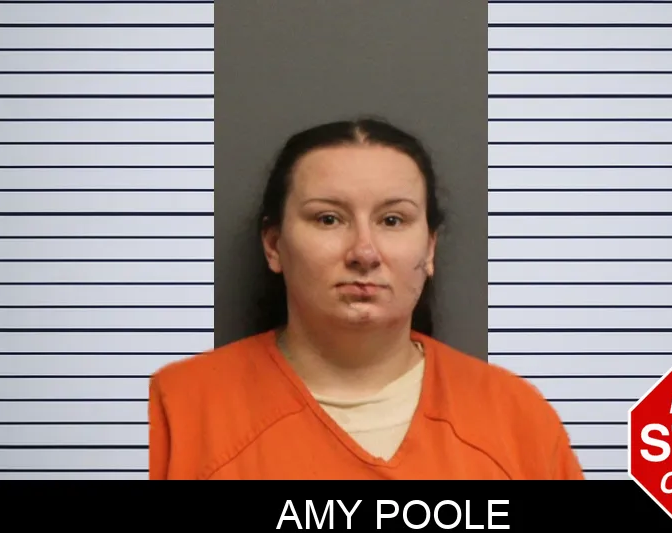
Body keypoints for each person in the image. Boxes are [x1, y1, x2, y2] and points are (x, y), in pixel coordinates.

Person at [148, 117, 584, 480]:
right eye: (328, 219)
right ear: (274, 245)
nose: (364, 252)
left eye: (392, 220)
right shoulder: (179, 408)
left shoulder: (515, 417)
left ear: (430, 248)